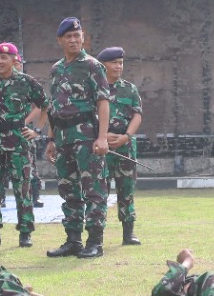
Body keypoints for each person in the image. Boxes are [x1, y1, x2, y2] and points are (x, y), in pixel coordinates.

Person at [0, 42, 47, 249]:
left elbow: (44, 104)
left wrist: (36, 130)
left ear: (14, 61)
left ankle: (25, 233)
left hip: (18, 140)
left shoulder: (26, 82)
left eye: (5, 58)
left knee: (23, 187)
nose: (0, 62)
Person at [46, 17, 110, 259]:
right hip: (62, 138)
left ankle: (95, 242)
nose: (73, 39)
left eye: (77, 35)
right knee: (68, 190)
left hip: (86, 137)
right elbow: (54, 107)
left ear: (83, 38)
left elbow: (103, 102)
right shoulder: (56, 69)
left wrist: (102, 137)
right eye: (68, 36)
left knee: (93, 189)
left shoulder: (93, 66)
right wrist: (50, 139)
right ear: (60, 40)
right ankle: (73, 240)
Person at [100, 46, 143, 246]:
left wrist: (126, 137)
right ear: (103, 65)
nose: (118, 66)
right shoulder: (94, 88)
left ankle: (128, 233)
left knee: (126, 190)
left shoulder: (129, 88)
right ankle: (96, 234)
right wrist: (101, 135)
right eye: (114, 63)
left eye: (121, 63)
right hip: (102, 149)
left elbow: (137, 115)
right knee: (100, 191)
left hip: (125, 148)